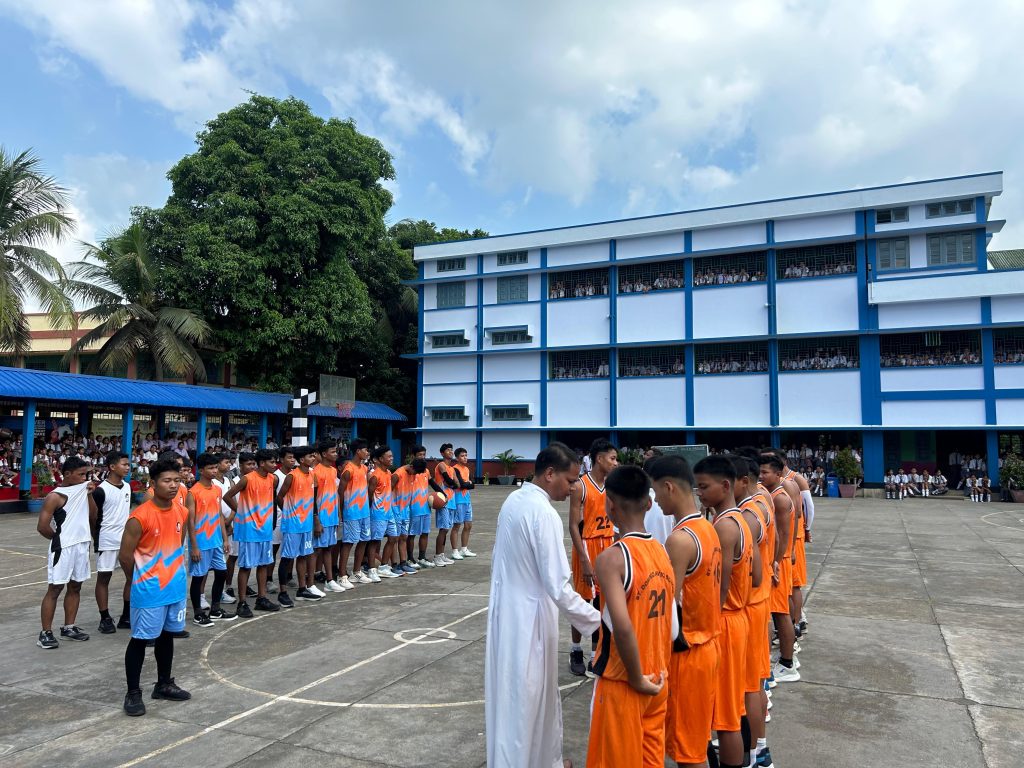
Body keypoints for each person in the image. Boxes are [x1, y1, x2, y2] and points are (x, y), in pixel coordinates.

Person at [484, 442, 601, 768]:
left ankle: (544, 760)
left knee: (520, 702)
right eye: (570, 479)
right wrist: (602, 622)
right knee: (527, 703)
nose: (573, 487)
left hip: (511, 615)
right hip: (529, 623)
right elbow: (560, 587)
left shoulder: (514, 500)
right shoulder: (543, 513)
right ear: (549, 474)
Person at [586, 465, 674, 767]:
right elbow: (672, 625)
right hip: (658, 677)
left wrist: (636, 678)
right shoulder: (663, 552)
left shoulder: (612, 557)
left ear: (609, 504)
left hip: (625, 681)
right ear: (648, 503)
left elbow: (622, 628)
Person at [649, 455, 722, 768]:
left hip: (687, 653)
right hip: (708, 646)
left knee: (688, 755)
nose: (654, 501)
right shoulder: (707, 527)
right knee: (697, 742)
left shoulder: (679, 539)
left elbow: (669, 607)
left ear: (668, 488)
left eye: (655, 493)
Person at [695, 455, 760, 768]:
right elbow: (758, 575)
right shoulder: (744, 521)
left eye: (704, 487)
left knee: (725, 718)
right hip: (742, 618)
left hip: (724, 622)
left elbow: (717, 592)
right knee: (735, 706)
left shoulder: (722, 528)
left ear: (725, 485)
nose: (700, 493)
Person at [118, 458, 192, 716]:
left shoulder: (182, 511)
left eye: (177, 480)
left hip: (175, 587)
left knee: (167, 636)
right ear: (153, 483)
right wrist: (137, 579)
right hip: (149, 589)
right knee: (140, 639)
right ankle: (133, 693)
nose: (173, 486)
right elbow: (125, 556)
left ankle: (163, 684)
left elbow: (178, 545)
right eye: (167, 481)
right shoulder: (139, 517)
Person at [568, 438, 618, 677]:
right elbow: (572, 526)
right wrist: (585, 560)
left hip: (607, 544)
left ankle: (595, 654)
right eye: (612, 458)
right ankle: (575, 649)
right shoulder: (580, 486)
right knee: (582, 602)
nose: (615, 463)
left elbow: (617, 521)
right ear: (599, 458)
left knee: (604, 604)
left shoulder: (612, 485)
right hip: (586, 547)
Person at [37, 456, 96, 649]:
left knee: (75, 587)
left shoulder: (84, 490)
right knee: (55, 589)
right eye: (80, 474)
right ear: (67, 474)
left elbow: (93, 515)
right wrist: (58, 540)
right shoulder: (55, 496)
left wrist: (89, 494)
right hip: (63, 547)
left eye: (85, 474)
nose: (83, 478)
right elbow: (42, 527)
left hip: (82, 545)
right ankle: (45, 633)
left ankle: (68, 627)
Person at [222, 449, 280, 618]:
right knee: (246, 566)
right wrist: (240, 512)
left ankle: (261, 598)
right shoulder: (247, 479)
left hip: (265, 529)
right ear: (262, 463)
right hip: (249, 530)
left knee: (263, 564)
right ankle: (242, 602)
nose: (274, 465)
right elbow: (227, 496)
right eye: (271, 462)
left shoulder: (273, 479)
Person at [759, 454, 799, 684]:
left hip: (778, 560)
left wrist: (775, 562)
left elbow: (782, 535)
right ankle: (787, 660)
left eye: (766, 472)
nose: (762, 476)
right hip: (779, 559)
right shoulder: (773, 495)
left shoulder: (780, 498)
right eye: (760, 472)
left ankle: (786, 662)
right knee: (779, 612)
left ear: (778, 474)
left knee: (779, 613)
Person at [185, 453, 234, 626]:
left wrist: (225, 539)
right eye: (210, 468)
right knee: (199, 577)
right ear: (200, 470)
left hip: (216, 541)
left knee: (221, 573)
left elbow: (219, 514)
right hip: (201, 543)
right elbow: (190, 521)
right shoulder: (193, 492)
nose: (214, 471)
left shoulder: (217, 489)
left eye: (215, 467)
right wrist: (194, 546)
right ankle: (198, 613)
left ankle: (215, 609)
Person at [275, 446, 323, 604]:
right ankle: (282, 593)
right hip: (293, 525)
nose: (313, 458)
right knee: (287, 558)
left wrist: (315, 519)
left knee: (303, 556)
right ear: (302, 460)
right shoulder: (292, 476)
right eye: (310, 456)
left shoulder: (312, 475)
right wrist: (289, 512)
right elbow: (279, 496)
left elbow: (313, 500)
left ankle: (302, 589)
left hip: (306, 524)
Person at [92, 451, 133, 634]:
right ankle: (105, 617)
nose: (127, 467)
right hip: (107, 540)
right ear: (112, 467)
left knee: (132, 578)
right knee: (104, 578)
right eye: (124, 464)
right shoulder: (100, 490)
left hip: (126, 540)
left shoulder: (127, 487)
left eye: (128, 464)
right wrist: (97, 540)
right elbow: (93, 518)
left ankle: (126, 616)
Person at [312, 440, 345, 591]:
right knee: (316, 550)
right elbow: (312, 498)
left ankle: (329, 580)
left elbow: (336, 496)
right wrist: (316, 518)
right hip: (322, 517)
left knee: (328, 548)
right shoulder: (316, 472)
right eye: (332, 452)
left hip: (332, 516)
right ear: (324, 454)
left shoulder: (333, 471)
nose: (335, 454)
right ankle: (309, 583)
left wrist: (338, 516)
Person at [339, 438, 373, 583]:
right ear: (358, 451)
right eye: (365, 450)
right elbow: (340, 493)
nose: (367, 453)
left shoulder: (364, 469)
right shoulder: (348, 470)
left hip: (364, 512)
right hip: (351, 512)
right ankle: (342, 576)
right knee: (348, 543)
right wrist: (341, 513)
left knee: (364, 541)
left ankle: (356, 571)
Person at [368, 446, 399, 578]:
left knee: (393, 538)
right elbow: (369, 495)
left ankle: (384, 566)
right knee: (374, 542)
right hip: (378, 513)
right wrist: (371, 512)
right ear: (380, 459)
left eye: (392, 456)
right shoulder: (375, 475)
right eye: (389, 457)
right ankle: (371, 570)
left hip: (388, 511)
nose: (392, 458)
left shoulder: (388, 473)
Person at [433, 443, 460, 566]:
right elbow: (449, 481)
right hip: (443, 500)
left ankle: (442, 555)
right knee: (443, 529)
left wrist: (452, 483)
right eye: (448, 450)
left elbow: (457, 484)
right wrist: (452, 483)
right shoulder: (441, 465)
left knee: (447, 529)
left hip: (452, 500)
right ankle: (437, 556)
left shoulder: (452, 468)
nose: (451, 452)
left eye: (451, 450)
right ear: (442, 453)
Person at [452, 447, 477, 558]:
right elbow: (462, 485)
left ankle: (464, 549)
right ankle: (454, 551)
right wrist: (468, 484)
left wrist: (469, 484)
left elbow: (473, 484)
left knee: (468, 525)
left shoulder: (466, 469)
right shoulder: (455, 469)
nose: (465, 457)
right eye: (462, 456)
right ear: (457, 458)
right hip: (458, 501)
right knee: (457, 526)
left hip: (467, 500)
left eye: (466, 455)